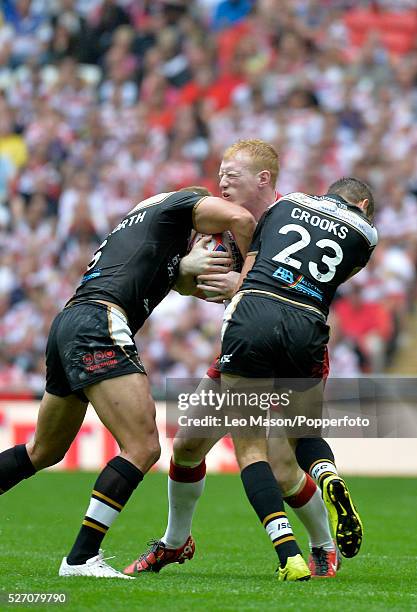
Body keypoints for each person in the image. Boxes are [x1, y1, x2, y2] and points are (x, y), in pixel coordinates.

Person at [125, 141, 360, 579]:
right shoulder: (232, 228)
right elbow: (206, 285)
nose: (222, 182)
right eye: (219, 173)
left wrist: (241, 285)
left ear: (264, 179)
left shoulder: (288, 216)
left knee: (280, 463)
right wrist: (186, 278)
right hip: (246, 344)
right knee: (188, 443)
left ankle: (322, 547)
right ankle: (175, 543)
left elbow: (291, 291)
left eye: (231, 174)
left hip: (287, 343)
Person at [0, 187, 255, 579]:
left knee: (43, 450)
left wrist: (186, 267)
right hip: (100, 322)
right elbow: (242, 219)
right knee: (143, 446)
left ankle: (81, 558)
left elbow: (182, 284)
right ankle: (81, 559)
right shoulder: (185, 202)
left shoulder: (142, 227)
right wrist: (247, 278)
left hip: (69, 322)